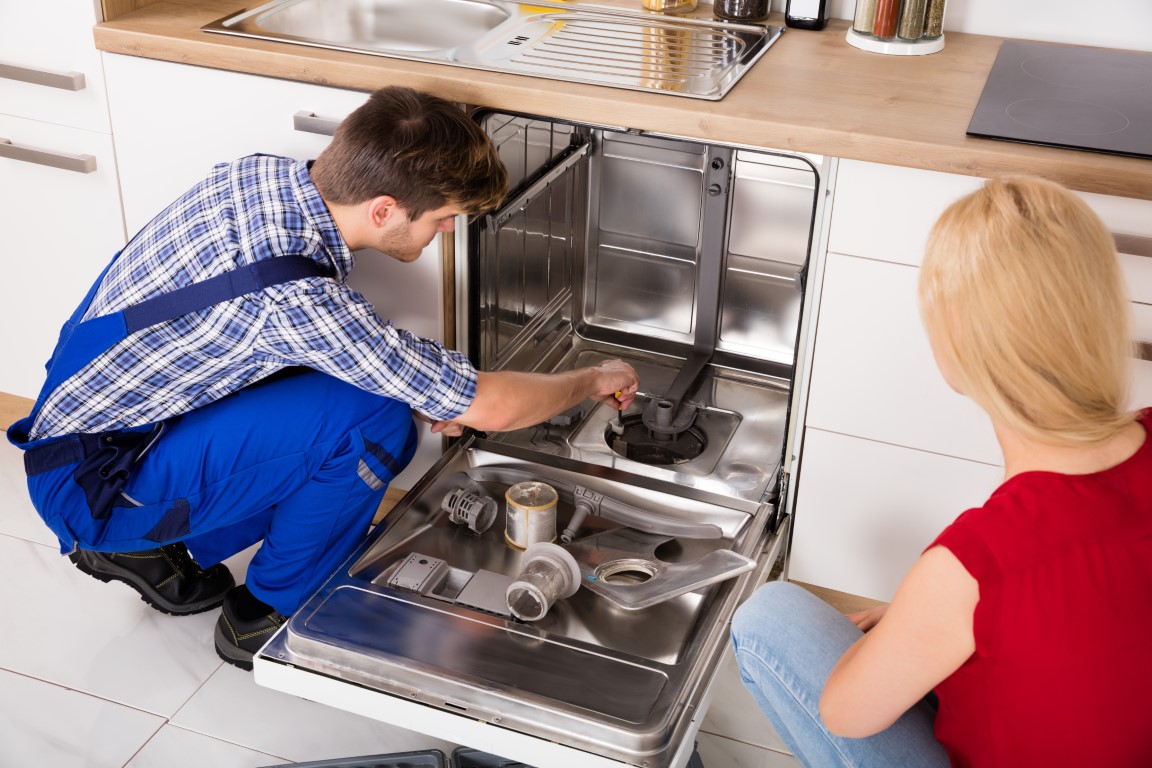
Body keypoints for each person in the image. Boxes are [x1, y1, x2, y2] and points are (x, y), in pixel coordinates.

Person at [7, 86, 638, 670]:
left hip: (87, 438)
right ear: (385, 208)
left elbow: (248, 339)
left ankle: (152, 546)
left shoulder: (257, 176)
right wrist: (591, 379)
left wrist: (424, 388)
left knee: (376, 396)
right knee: (377, 422)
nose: (447, 232)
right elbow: (491, 407)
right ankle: (265, 615)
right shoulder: (297, 302)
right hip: (101, 483)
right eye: (443, 218)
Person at [730, 176, 1152, 767]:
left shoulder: (972, 566)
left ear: (956, 343)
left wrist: (931, 610)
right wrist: (933, 620)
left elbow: (844, 713)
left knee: (766, 618)